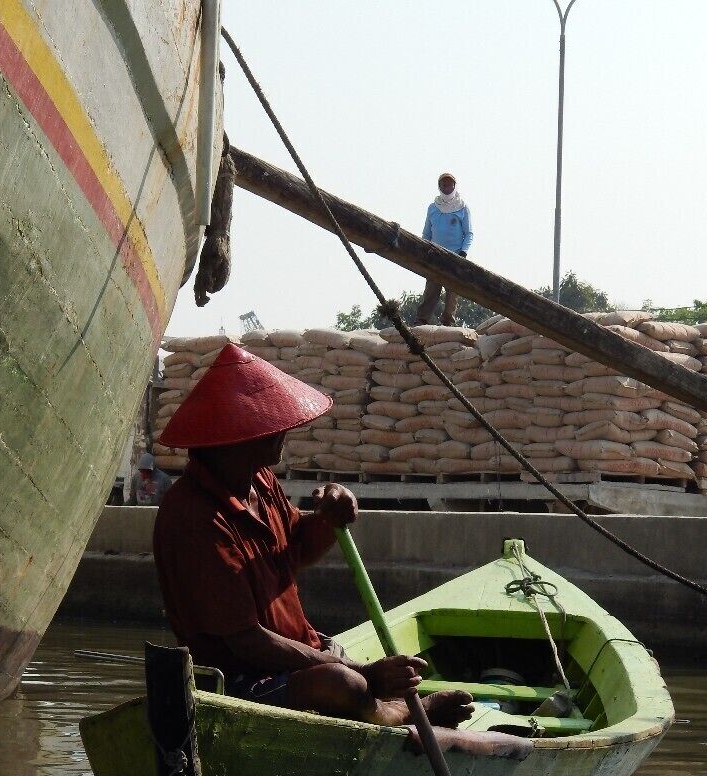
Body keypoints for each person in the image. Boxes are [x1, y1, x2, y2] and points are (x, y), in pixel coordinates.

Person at [152, 343, 475, 731]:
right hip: (236, 679)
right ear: (239, 435)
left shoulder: (258, 482)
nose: (284, 433)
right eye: (271, 425)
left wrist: (331, 518)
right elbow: (247, 642)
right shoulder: (194, 516)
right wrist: (360, 672)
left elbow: (296, 547)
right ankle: (401, 713)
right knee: (343, 681)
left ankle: (385, 699)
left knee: (353, 672)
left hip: (293, 650)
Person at [416, 172, 472, 326]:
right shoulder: (433, 208)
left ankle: (448, 321)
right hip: (434, 254)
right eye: (444, 184)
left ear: (454, 186)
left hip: (455, 256)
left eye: (449, 184)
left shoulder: (462, 208)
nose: (447, 187)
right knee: (431, 290)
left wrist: (464, 251)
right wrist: (423, 248)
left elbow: (469, 233)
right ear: (439, 187)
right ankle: (422, 319)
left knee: (452, 292)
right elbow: (427, 232)